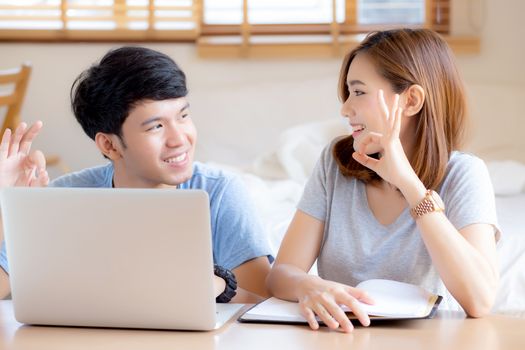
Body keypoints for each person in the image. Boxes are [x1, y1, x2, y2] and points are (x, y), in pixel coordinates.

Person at [266, 29, 500, 333]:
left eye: (359, 92)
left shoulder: (464, 174)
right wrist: (307, 285)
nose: (345, 108)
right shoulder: (335, 165)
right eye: (348, 93)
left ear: (411, 100)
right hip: (340, 340)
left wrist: (410, 185)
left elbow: (480, 300)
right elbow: (280, 274)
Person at [0, 46, 273, 302]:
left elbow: (261, 301)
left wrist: (217, 285)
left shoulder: (220, 192)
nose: (179, 138)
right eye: (156, 127)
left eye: (183, 116)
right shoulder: (65, 198)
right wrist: (5, 205)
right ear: (109, 145)